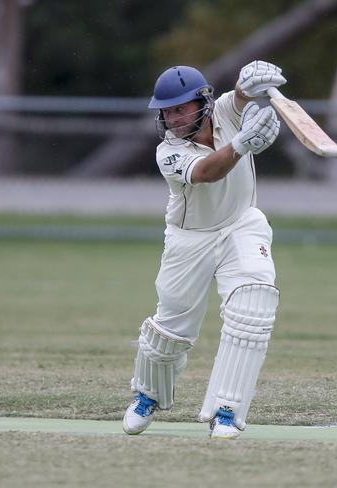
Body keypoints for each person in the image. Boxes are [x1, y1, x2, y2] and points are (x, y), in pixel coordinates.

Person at [122, 61, 285, 439]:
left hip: (241, 225)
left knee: (253, 307)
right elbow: (210, 171)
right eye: (166, 111)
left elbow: (242, 96)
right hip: (189, 239)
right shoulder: (169, 152)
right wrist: (243, 143)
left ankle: (226, 411)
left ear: (203, 103)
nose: (173, 118)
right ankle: (147, 394)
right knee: (171, 330)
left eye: (181, 108)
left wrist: (250, 82)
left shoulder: (226, 109)